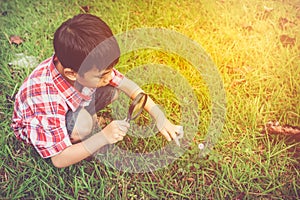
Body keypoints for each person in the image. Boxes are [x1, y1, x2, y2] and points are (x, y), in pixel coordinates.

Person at [11, 14, 183, 168]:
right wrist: (103, 137)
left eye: (111, 70)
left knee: (111, 91)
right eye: (103, 75)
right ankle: (78, 132)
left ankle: (86, 117)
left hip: (73, 99)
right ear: (72, 73)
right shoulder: (47, 98)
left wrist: (160, 118)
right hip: (44, 124)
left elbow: (130, 87)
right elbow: (59, 159)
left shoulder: (87, 65)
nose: (109, 78)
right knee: (83, 126)